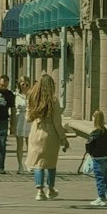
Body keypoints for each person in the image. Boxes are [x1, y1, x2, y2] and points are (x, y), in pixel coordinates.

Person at [25, 73, 69, 201]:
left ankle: (39, 191)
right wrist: (63, 138)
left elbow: (28, 118)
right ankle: (50, 189)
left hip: (36, 132)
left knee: (38, 163)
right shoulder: (53, 100)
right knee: (50, 163)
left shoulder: (33, 98)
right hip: (50, 134)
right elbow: (57, 122)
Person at [85, 108, 107, 206]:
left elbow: (88, 145)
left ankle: (101, 198)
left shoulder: (95, 133)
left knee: (100, 178)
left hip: (98, 158)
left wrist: (91, 153)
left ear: (95, 119)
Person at [14, 76, 31, 175]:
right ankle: (20, 165)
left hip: (29, 120)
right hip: (20, 119)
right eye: (23, 84)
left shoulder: (32, 95)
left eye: (27, 84)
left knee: (30, 144)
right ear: (20, 85)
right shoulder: (16, 95)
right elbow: (14, 108)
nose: (25, 86)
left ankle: (29, 163)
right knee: (20, 144)